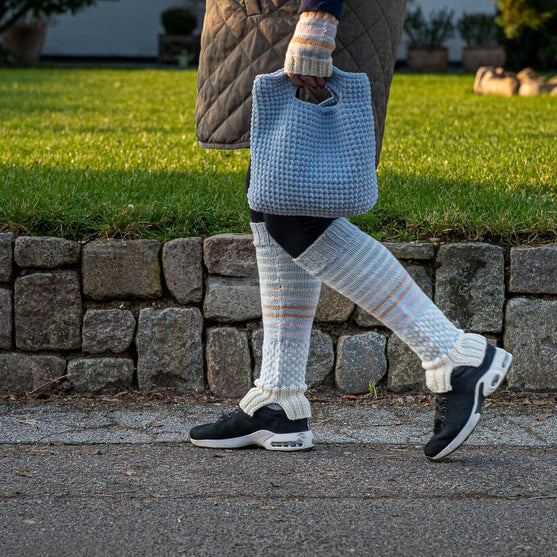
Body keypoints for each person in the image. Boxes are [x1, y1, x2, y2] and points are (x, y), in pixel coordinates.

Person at [190, 0, 513, 460]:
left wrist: (319, 17)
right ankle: (279, 398)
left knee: (293, 210)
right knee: (272, 191)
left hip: (306, 17)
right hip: (268, 18)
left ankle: (454, 355)